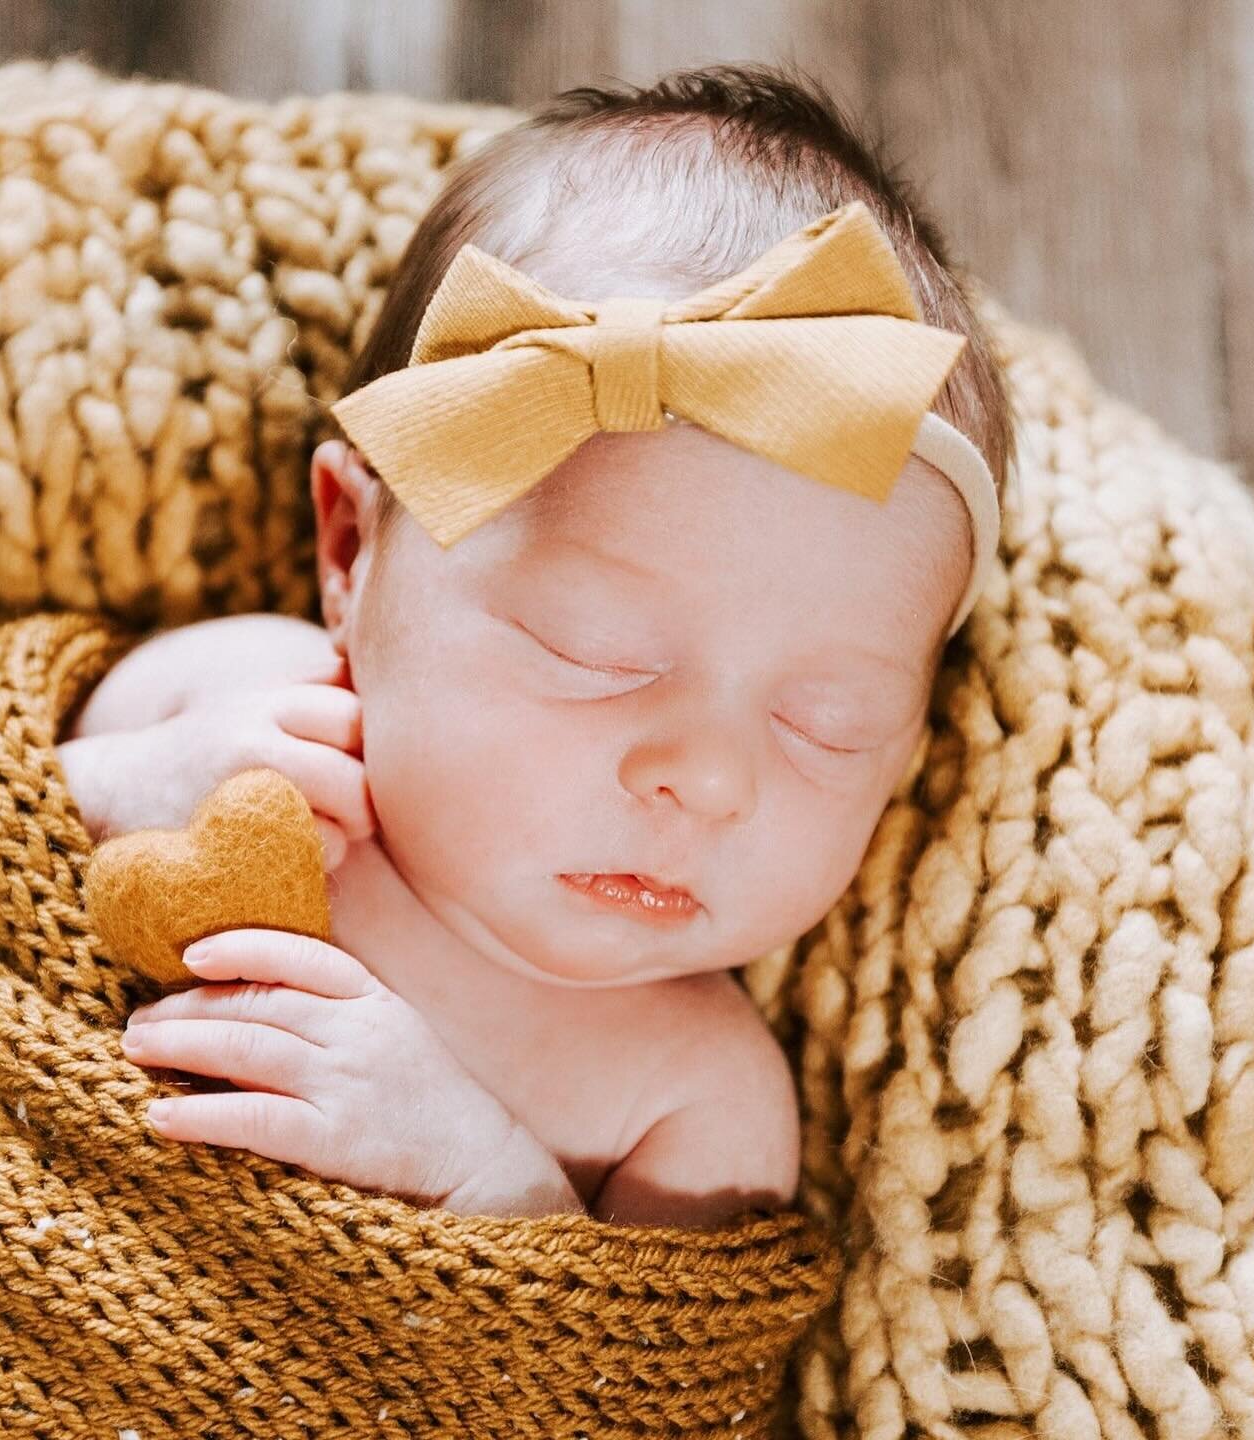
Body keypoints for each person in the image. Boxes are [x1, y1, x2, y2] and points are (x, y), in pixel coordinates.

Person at [55, 63, 1014, 1228]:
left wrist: (490, 1181)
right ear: (351, 554)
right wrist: (107, 786)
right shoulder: (245, 694)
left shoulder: (694, 1097)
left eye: (828, 725)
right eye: (592, 649)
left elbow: (650, 1398)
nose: (708, 777)